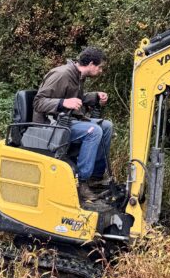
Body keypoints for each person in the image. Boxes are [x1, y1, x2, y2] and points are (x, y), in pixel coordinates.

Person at [33, 46, 113, 204]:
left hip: (67, 120)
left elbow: (78, 99)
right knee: (93, 131)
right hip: (50, 125)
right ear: (91, 64)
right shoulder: (61, 74)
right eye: (100, 67)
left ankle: (96, 177)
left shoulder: (78, 76)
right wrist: (63, 102)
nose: (101, 71)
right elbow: (38, 102)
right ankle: (81, 182)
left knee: (106, 126)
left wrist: (95, 96)